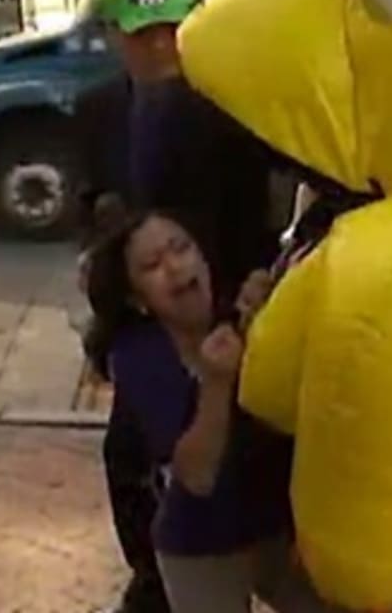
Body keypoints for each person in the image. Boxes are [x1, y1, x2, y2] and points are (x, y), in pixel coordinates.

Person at [78, 0, 283, 613]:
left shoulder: (226, 103)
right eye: (144, 36)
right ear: (115, 38)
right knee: (130, 457)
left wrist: (257, 286)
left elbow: (275, 196)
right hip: (147, 321)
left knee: (239, 453)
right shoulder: (101, 109)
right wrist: (103, 333)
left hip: (230, 312)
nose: (163, 46)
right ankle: (155, 581)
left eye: (173, 28)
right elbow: (103, 220)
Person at [86, 209, 326, 612]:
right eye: (153, 265)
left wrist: (278, 312)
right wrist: (217, 383)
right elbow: (197, 476)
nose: (175, 267)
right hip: (198, 543)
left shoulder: (242, 306)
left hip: (278, 527)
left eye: (181, 248)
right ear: (137, 299)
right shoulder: (138, 355)